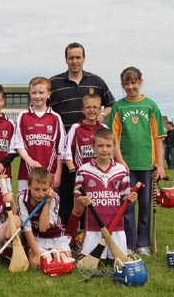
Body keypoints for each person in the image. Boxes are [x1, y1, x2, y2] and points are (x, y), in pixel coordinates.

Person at [49, 42, 115, 226]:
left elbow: (111, 104)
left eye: (78, 57)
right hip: (67, 147)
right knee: (68, 197)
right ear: (66, 59)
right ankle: (65, 234)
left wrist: (101, 115)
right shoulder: (55, 83)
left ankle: (90, 231)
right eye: (71, 57)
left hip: (92, 148)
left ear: (84, 58)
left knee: (92, 197)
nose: (75, 61)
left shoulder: (97, 81)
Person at [109, 66, 166, 256]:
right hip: (126, 165)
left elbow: (158, 136)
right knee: (127, 204)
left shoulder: (151, 105)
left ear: (141, 82)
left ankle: (143, 243)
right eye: (127, 83)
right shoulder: (118, 107)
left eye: (134, 82)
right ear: (122, 85)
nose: (131, 86)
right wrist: (119, 160)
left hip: (147, 165)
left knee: (145, 204)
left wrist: (160, 164)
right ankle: (129, 242)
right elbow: (113, 137)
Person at [73, 129, 138, 261]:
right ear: (93, 147)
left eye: (108, 146)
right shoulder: (84, 170)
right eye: (100, 146)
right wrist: (81, 199)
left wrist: (129, 198)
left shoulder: (121, 170)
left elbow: (124, 196)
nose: (104, 150)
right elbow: (78, 197)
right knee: (92, 261)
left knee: (118, 260)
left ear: (114, 148)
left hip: (116, 225)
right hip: (93, 225)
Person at [62, 94, 108, 242]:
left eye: (95, 107)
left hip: (101, 177)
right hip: (82, 177)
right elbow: (67, 153)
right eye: (88, 107)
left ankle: (91, 238)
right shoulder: (76, 128)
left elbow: (110, 152)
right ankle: (70, 239)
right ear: (82, 110)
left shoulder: (104, 128)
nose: (92, 110)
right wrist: (74, 173)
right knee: (78, 208)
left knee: (96, 209)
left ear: (100, 110)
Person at [14, 76, 65, 192]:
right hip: (26, 173)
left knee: (48, 207)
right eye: (34, 92)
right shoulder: (23, 116)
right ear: (29, 94)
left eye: (41, 92)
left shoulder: (55, 118)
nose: (37, 96)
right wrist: (30, 161)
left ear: (49, 94)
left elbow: (60, 149)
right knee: (26, 207)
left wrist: (58, 173)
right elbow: (19, 144)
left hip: (49, 174)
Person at [17, 167, 72, 268]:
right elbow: (27, 228)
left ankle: (54, 252)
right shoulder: (22, 198)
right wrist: (37, 253)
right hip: (37, 237)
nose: (40, 194)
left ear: (50, 187)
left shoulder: (54, 198)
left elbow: (43, 227)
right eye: (36, 189)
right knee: (38, 263)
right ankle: (43, 253)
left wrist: (47, 203)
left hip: (56, 235)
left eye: (44, 190)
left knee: (63, 261)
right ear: (29, 186)